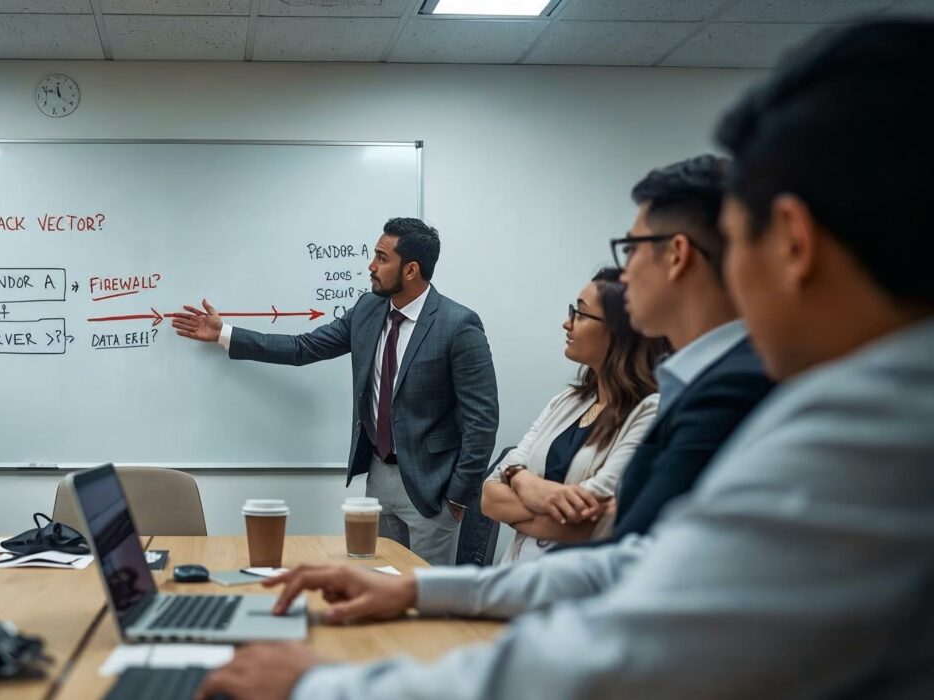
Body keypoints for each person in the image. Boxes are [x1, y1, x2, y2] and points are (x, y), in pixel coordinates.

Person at [196, 19, 934, 699]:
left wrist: (323, 688)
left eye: (738, 243)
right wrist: (426, 587)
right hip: (392, 489)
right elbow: (636, 565)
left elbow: (637, 642)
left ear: (793, 243)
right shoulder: (837, 395)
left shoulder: (859, 421)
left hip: (433, 502)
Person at [171, 218, 499, 566]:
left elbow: (482, 419)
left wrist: (458, 496)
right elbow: (303, 348)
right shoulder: (368, 310)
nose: (371, 266)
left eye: (382, 258)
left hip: (433, 488)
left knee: (428, 594)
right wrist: (226, 334)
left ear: (411, 269)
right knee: (378, 580)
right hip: (378, 477)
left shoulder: (457, 325)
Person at [601, 154, 775, 541]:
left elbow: (637, 554)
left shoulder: (735, 387)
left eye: (630, 249)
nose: (624, 272)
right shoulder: (702, 375)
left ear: (677, 255)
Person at [481, 268, 664, 561]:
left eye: (580, 314)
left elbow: (589, 518)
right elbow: (489, 496)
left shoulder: (649, 410)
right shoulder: (567, 401)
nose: (567, 324)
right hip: (515, 576)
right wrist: (522, 478)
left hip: (572, 585)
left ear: (618, 330)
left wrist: (516, 488)